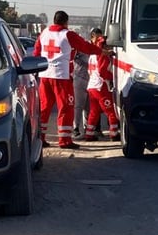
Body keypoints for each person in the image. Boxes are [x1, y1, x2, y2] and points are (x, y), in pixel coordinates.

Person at [33, 11, 102, 149]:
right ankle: (64, 140)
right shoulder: (67, 34)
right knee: (65, 107)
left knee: (44, 108)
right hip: (61, 77)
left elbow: (36, 53)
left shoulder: (44, 33)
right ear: (66, 22)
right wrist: (101, 51)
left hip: (44, 75)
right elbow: (85, 47)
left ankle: (40, 138)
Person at [83, 28, 119, 142]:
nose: (109, 47)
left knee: (94, 112)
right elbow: (103, 72)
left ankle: (89, 134)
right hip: (101, 87)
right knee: (111, 111)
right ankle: (114, 134)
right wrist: (112, 77)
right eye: (106, 45)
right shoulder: (102, 55)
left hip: (92, 86)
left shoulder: (92, 55)